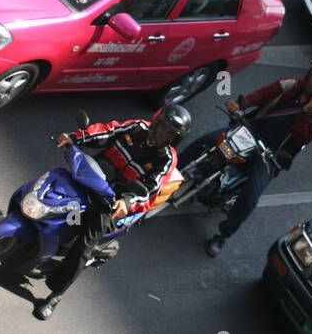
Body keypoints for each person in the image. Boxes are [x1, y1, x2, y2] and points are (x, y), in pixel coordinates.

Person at [16, 104, 191, 319]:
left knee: (85, 243)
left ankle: (56, 294)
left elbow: (150, 189)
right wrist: (75, 138)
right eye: (163, 127)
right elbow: (107, 131)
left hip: (112, 202)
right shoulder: (137, 127)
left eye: (170, 133)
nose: (164, 134)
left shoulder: (166, 159)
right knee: (46, 187)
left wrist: (126, 202)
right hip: (91, 177)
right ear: (156, 121)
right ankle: (14, 223)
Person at [183, 62, 312, 257]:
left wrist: (305, 114)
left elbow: (301, 139)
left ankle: (222, 235)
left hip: (272, 152)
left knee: (251, 196)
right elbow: (264, 94)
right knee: (209, 141)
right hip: (254, 129)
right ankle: (173, 169)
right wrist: (242, 104)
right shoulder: (291, 84)